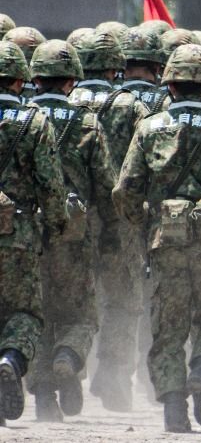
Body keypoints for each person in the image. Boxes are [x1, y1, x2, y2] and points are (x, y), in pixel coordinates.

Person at [112, 44, 201, 432]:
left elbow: (125, 191)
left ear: (170, 86)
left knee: (169, 327)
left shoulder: (148, 127)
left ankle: (174, 407)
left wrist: (146, 222)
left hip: (165, 242)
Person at [25, 40, 119, 421]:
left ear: (34, 79)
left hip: (25, 233)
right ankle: (70, 355)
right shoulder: (87, 122)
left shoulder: (19, 118)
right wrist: (112, 230)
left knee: (38, 313)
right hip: (75, 236)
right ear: (72, 81)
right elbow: (107, 186)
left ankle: (45, 395)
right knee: (81, 314)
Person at [69, 30, 151, 412]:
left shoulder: (58, 104)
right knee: (123, 299)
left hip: (69, 221)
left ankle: (66, 363)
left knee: (71, 296)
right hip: (121, 220)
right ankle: (113, 376)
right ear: (116, 66)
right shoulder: (132, 106)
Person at [0, 40, 67, 428]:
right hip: (19, 233)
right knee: (24, 313)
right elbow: (51, 184)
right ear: (20, 81)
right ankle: (10, 359)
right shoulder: (34, 121)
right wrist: (56, 226)